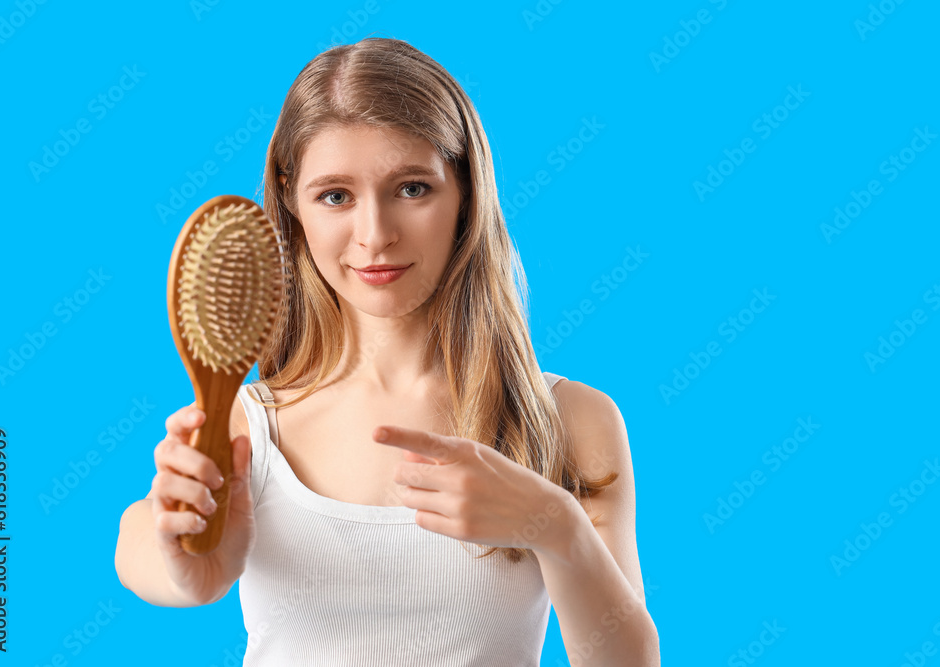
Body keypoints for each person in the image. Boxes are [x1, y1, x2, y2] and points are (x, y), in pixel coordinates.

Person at [115, 36, 659, 666]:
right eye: (335, 196)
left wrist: (555, 526)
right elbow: (135, 549)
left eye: (411, 189)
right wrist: (182, 558)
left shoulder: (569, 421)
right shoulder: (248, 425)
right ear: (292, 202)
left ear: (465, 194)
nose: (374, 235)